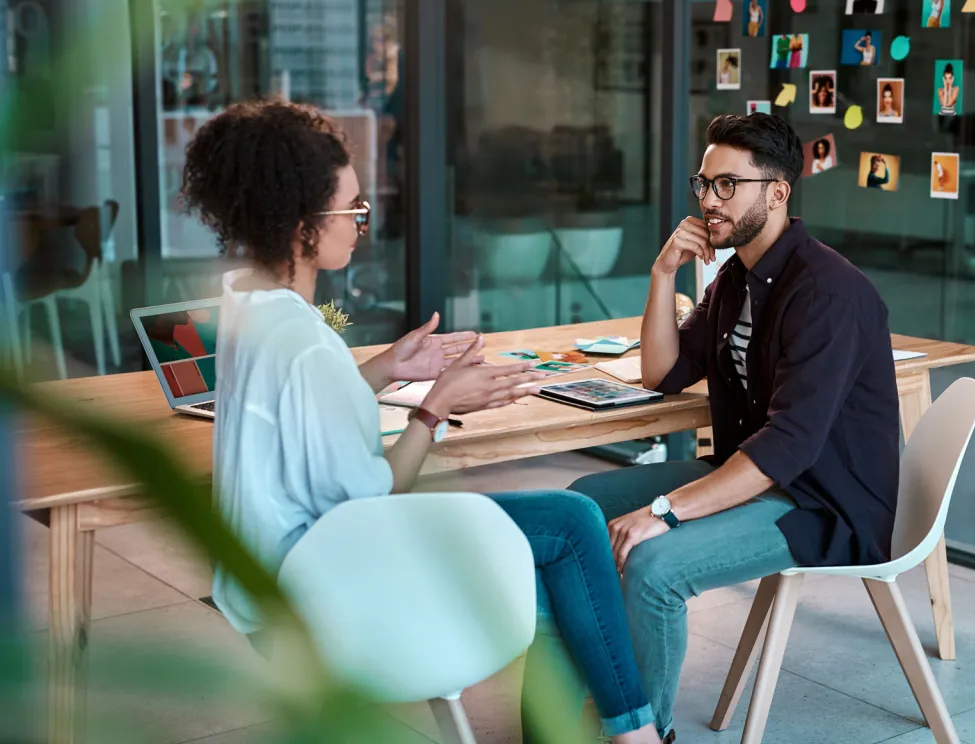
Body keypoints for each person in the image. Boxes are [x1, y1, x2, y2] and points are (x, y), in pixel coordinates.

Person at [182, 101, 663, 744]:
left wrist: (384, 370)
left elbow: (299, 421)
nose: (362, 224)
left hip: (266, 582)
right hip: (324, 585)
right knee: (573, 525)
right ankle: (637, 735)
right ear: (300, 224)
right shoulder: (305, 346)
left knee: (555, 559)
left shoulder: (249, 313)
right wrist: (437, 407)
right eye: (351, 210)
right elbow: (378, 494)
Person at [568, 114, 900, 739]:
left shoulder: (827, 292)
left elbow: (789, 447)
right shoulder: (737, 278)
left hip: (820, 502)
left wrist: (665, 511)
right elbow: (661, 372)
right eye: (704, 184)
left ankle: (641, 731)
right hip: (753, 473)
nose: (709, 201)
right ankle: (595, 699)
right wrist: (662, 274)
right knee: (578, 510)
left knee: (652, 567)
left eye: (728, 185)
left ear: (777, 192)